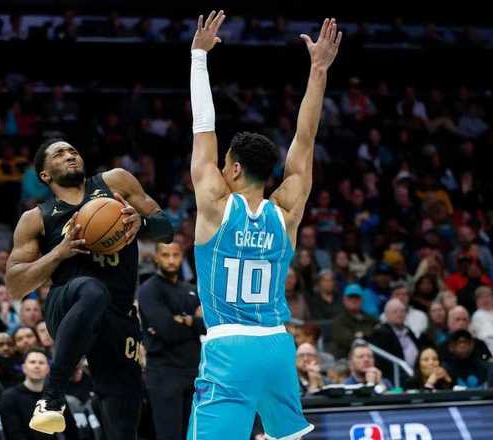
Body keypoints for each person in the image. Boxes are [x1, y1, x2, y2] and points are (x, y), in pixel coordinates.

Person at [186, 12, 340, 439]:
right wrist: (319, 69)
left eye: (224, 164)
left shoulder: (215, 206)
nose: (219, 168)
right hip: (277, 344)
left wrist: (199, 57)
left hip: (229, 347)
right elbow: (305, 138)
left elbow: (203, 128)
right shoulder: (287, 210)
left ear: (234, 168)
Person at [6, 136, 173, 437]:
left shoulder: (116, 182)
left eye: (73, 150)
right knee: (93, 290)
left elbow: (167, 231)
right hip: (66, 304)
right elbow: (15, 286)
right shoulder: (36, 219)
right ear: (45, 175)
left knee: (124, 423)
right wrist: (59, 253)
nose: (70, 155)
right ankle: (51, 397)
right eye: (59, 154)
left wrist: (142, 224)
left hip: (118, 317)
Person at [137, 242, 205, 440]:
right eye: (165, 255)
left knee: (195, 435)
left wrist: (186, 320)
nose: (171, 260)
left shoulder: (192, 290)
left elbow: (208, 325)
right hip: (164, 374)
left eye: (175, 255)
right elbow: (167, 330)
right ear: (156, 258)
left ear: (182, 257)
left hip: (193, 373)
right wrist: (194, 321)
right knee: (170, 435)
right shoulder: (148, 290)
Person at [0, 348, 77, 440]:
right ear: (24, 367)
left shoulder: (55, 395)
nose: (37, 366)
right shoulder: (9, 397)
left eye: (41, 363)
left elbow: (71, 429)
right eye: (32, 362)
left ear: (48, 368)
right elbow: (13, 434)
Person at [331, 284, 378, 358]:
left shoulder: (369, 318)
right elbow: (350, 341)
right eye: (350, 298)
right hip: (345, 358)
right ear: (344, 300)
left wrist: (361, 334)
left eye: (357, 298)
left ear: (361, 300)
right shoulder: (339, 320)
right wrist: (368, 334)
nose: (354, 300)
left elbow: (379, 332)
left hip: (371, 355)